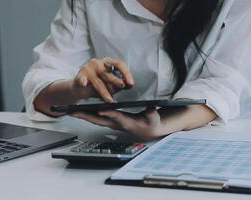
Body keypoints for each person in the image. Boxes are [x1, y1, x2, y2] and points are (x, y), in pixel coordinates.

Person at [22, 0, 251, 140]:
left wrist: (162, 124)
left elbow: (223, 84)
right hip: (120, 142)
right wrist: (77, 88)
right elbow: (41, 89)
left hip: (218, 140)